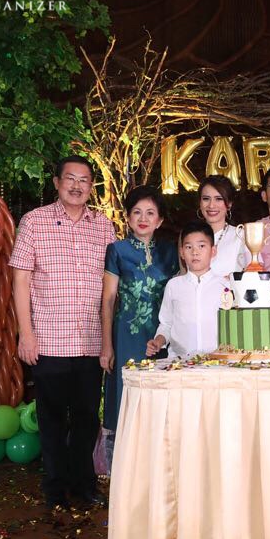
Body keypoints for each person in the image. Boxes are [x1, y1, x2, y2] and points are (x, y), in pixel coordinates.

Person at [10, 154, 117, 513]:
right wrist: (26, 334)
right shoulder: (34, 221)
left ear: (91, 186)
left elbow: (111, 287)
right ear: (56, 182)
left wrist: (108, 342)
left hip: (90, 342)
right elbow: (20, 281)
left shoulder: (103, 226)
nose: (76, 186)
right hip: (49, 341)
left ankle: (83, 486)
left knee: (87, 419)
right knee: (52, 420)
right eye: (70, 178)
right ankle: (55, 489)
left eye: (84, 180)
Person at [100, 186, 179, 448]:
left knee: (162, 399)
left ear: (160, 220)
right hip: (126, 336)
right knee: (128, 396)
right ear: (128, 217)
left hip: (163, 335)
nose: (143, 218)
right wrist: (107, 345)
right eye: (137, 212)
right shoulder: (117, 250)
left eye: (150, 213)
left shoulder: (171, 251)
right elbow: (109, 299)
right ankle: (126, 461)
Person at [148, 221, 229, 359]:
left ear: (213, 251)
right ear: (181, 252)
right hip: (180, 362)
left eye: (201, 246)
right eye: (189, 247)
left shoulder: (225, 286)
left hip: (217, 362)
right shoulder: (173, 286)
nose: (195, 252)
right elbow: (166, 324)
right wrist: (158, 342)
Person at [197, 175, 247, 278]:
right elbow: (184, 276)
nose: (211, 205)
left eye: (219, 199)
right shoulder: (188, 236)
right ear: (200, 202)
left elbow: (254, 275)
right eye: (206, 199)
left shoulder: (241, 235)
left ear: (229, 204)